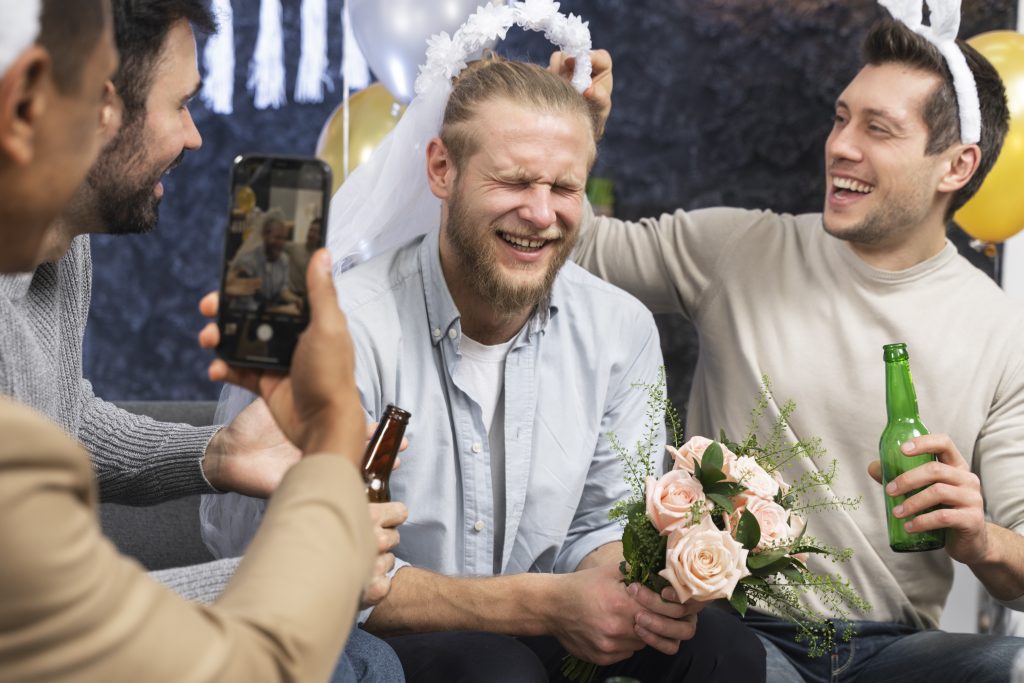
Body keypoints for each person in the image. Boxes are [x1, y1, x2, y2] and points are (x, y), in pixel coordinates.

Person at [207, 53, 768, 682]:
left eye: (563, 189)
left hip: (548, 616)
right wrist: (543, 605)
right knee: (494, 669)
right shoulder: (346, 326)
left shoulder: (620, 328)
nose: (539, 213)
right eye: (514, 181)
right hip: (389, 632)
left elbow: (601, 526)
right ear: (442, 169)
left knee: (724, 647)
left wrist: (627, 593)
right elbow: (340, 579)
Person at [570, 15, 1024, 683]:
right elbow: (577, 248)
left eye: (878, 128)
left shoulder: (998, 328)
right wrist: (578, 132)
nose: (840, 145)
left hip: (895, 651)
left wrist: (980, 538)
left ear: (955, 166)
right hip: (737, 636)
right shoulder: (740, 250)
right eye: (841, 118)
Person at [0, 0, 406, 680]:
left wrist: (213, 454)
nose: (193, 136)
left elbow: (52, 420)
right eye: (180, 103)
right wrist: (332, 452)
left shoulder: (54, 240)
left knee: (365, 657)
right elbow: (58, 630)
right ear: (37, 104)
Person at [228, 213, 302, 314]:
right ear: (264, 235)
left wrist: (294, 299)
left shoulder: (284, 259)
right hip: (245, 317)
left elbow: (282, 289)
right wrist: (278, 311)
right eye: (277, 237)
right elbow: (247, 303)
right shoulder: (248, 261)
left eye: (284, 238)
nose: (281, 243)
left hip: (269, 313)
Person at [285, 217, 322, 298]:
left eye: (315, 232)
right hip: (291, 295)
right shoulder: (295, 248)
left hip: (310, 297)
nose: (311, 234)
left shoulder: (321, 257)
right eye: (310, 230)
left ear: (320, 236)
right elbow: (278, 243)